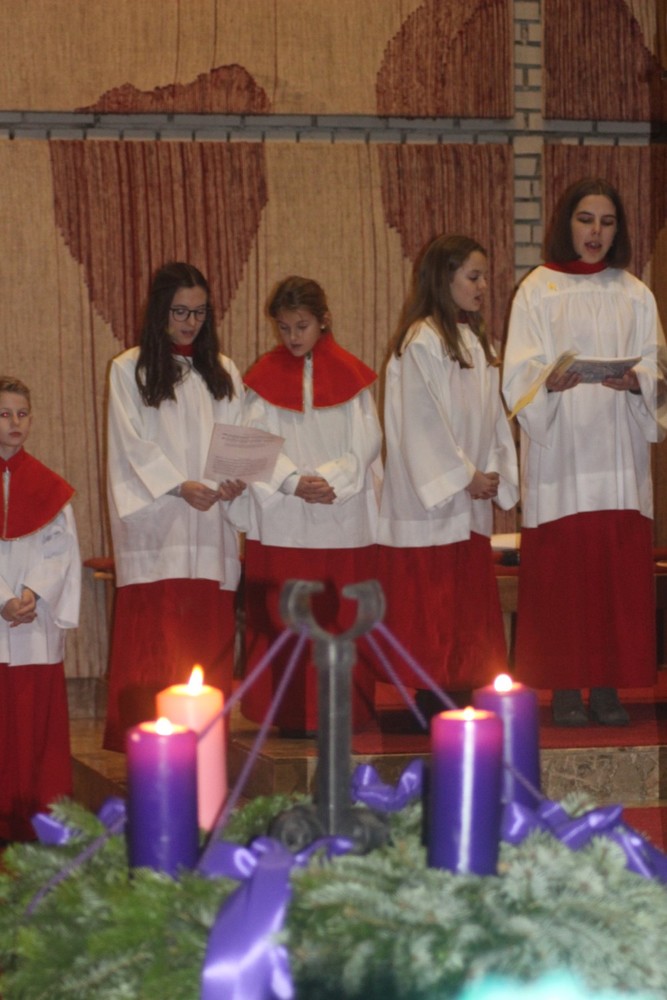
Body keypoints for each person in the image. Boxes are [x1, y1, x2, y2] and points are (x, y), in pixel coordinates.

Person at [502, 177, 667, 726]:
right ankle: (566, 689)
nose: (596, 232)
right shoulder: (538, 289)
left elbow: (659, 363)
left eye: (607, 222)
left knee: (613, 579)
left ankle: (608, 687)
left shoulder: (635, 292)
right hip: (562, 461)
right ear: (566, 224)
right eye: (586, 219)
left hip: (618, 461)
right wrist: (547, 384)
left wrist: (639, 381)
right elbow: (518, 374)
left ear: (619, 231)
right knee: (564, 581)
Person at [104, 262, 245, 751]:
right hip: (158, 526)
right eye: (180, 311)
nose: (190, 323)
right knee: (155, 642)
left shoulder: (224, 371)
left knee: (204, 642)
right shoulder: (129, 368)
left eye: (200, 312)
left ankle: (204, 745)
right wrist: (177, 486)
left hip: (210, 526)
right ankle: (148, 746)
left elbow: (236, 440)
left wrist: (233, 483)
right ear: (160, 311)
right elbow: (131, 445)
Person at [233, 275, 382, 736]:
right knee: (286, 617)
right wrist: (293, 481)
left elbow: (368, 443)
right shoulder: (262, 379)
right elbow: (250, 443)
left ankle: (341, 711)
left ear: (324, 321)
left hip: (341, 516)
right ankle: (290, 714)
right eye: (284, 328)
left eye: (302, 326)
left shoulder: (353, 377)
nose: (293, 337)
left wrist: (331, 480)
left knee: (338, 616)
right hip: (285, 518)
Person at [377, 234, 518, 709]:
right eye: (473, 277)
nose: (483, 287)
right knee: (434, 607)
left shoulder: (478, 342)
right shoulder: (421, 341)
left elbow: (494, 418)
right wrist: (464, 475)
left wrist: (494, 470)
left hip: (468, 499)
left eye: (484, 278)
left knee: (464, 607)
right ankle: (434, 698)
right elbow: (421, 424)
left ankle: (459, 689)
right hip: (433, 503)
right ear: (444, 278)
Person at [0, 376, 81, 841]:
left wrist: (31, 592)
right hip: (4, 615)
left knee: (34, 724)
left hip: (34, 619)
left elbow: (60, 549)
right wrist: (4, 600)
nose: (15, 422)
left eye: (22, 413)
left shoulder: (49, 487)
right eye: (4, 414)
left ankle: (38, 814)